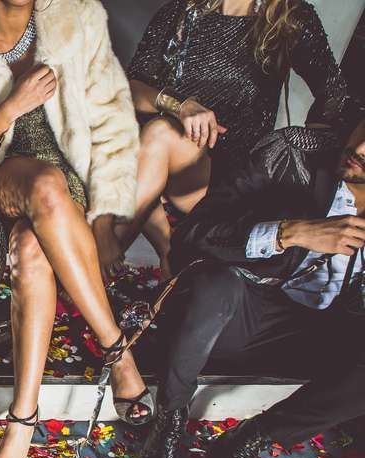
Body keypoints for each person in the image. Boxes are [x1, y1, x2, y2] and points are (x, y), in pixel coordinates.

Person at [0, 0, 152, 458]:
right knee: (44, 184)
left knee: (32, 251)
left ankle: (22, 419)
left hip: (70, 185)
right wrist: (7, 112)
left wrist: (103, 218)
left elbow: (113, 117)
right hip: (2, 179)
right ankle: (119, 352)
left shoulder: (79, 17)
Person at [133, 118, 365, 458]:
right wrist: (291, 233)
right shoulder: (295, 151)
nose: (360, 146)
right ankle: (169, 416)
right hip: (242, 306)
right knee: (213, 285)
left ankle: (246, 440)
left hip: (316, 334)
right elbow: (194, 234)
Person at [110, 0, 356, 279]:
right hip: (173, 158)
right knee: (149, 132)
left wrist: (315, 153)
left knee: (157, 134)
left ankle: (108, 257)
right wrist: (180, 105)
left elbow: (334, 97)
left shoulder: (289, 17)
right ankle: (163, 252)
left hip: (234, 182)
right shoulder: (181, 12)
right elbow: (130, 88)